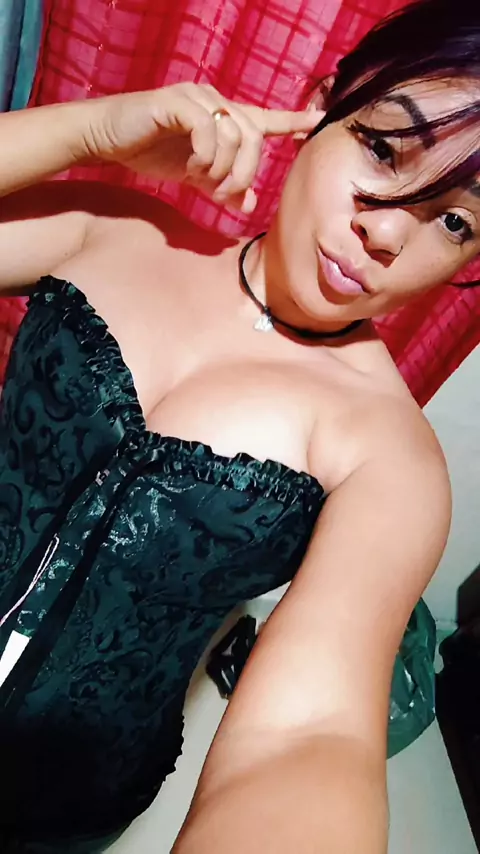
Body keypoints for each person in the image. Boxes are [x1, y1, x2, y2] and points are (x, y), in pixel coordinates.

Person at [0, 0, 478, 850]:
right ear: (322, 107)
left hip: (58, 806)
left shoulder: (388, 458)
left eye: (455, 221)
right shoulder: (111, 231)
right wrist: (93, 131)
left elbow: (312, 737)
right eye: (383, 147)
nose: (386, 229)